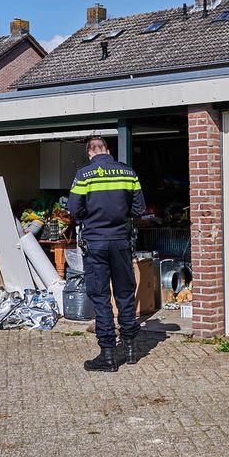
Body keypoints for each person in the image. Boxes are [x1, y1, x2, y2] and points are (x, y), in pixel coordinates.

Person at [67, 136, 145, 372]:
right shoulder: (128, 173)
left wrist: (90, 217)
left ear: (90, 153)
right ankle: (131, 349)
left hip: (96, 243)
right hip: (121, 242)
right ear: (108, 151)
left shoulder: (83, 174)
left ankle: (108, 355)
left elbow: (73, 209)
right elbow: (139, 208)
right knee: (124, 293)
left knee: (100, 297)